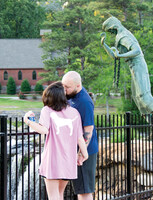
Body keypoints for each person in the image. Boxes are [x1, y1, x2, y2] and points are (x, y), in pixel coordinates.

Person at [100, 16, 153, 130]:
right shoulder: (120, 36)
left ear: (114, 26)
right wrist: (104, 45)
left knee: (144, 97)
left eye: (111, 31)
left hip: (138, 67)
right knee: (138, 100)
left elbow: (137, 50)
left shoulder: (123, 36)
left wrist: (122, 55)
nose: (111, 33)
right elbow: (115, 56)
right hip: (134, 68)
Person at [24, 81, 88, 200]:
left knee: (54, 196)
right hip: (68, 161)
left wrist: (28, 121)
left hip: (52, 160)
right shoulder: (74, 112)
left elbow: (43, 130)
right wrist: (84, 154)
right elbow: (80, 137)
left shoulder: (47, 110)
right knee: (59, 194)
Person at [62, 71, 98, 200]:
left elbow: (88, 128)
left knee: (84, 191)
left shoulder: (84, 102)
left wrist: (81, 152)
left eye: (67, 87)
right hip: (71, 149)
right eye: (63, 86)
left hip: (84, 151)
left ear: (78, 86)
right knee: (77, 188)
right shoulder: (71, 95)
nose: (64, 90)